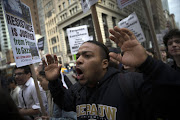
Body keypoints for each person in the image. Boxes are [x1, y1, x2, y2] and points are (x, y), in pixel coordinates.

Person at [43, 27, 180, 120]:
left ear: (104, 63)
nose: (78, 60)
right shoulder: (78, 89)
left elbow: (172, 100)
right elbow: (64, 103)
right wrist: (54, 81)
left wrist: (147, 63)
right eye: (78, 56)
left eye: (87, 55)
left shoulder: (130, 83)